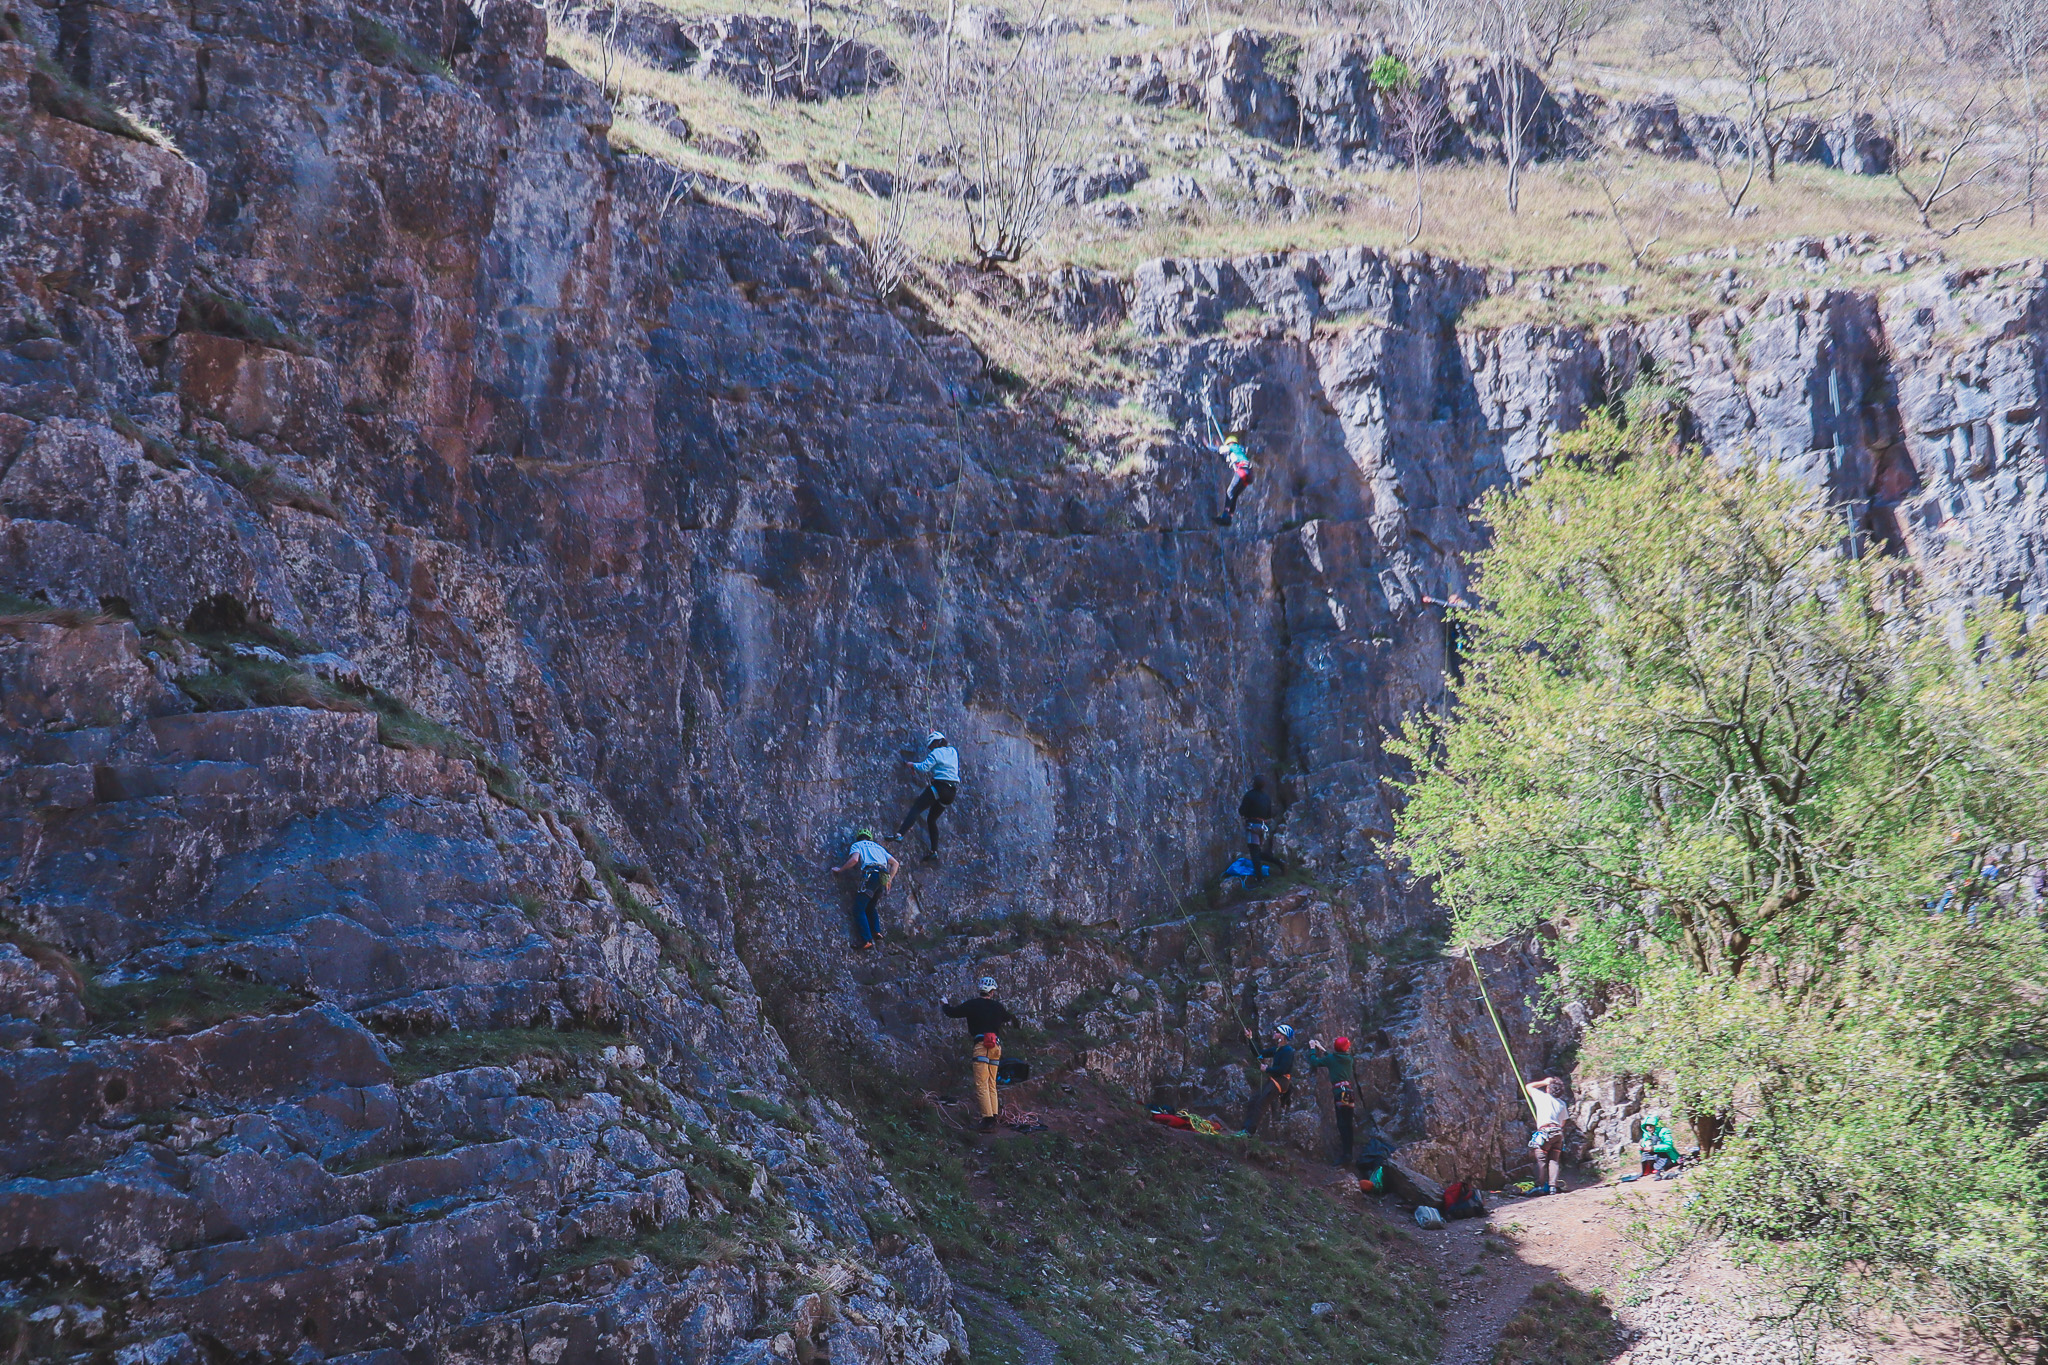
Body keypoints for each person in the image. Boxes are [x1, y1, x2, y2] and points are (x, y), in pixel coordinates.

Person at [942, 976, 1016, 1131]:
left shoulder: (973, 1005)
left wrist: (944, 1003)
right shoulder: (998, 1007)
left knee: (981, 1083)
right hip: (996, 1046)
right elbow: (1009, 1018)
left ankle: (987, 1120)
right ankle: (993, 1116)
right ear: (992, 992)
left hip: (981, 1045)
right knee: (991, 1083)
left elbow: (952, 1013)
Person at [890, 731, 960, 862]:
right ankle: (934, 851)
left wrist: (912, 765)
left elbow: (924, 767)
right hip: (951, 793)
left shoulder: (935, 753)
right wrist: (935, 735)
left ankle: (900, 834)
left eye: (932, 745)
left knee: (917, 808)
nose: (931, 749)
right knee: (931, 819)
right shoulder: (953, 751)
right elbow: (942, 748)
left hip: (940, 787)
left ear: (936, 743)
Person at [830, 830, 899, 950]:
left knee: (858, 908)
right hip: (883, 876)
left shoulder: (858, 845)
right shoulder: (879, 847)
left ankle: (866, 939)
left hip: (871, 875)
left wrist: (840, 869)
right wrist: (889, 880)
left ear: (859, 838)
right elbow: (895, 863)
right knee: (871, 906)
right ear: (870, 838)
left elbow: (855, 860)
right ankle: (876, 931)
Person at [1236, 1023, 1295, 1137]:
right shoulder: (1278, 1049)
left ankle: (1248, 1133)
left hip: (1280, 1082)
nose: (1274, 1033)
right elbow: (1260, 1054)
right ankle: (1245, 1130)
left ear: (1282, 1037)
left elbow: (1283, 1069)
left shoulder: (1288, 1051)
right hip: (1276, 1080)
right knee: (1254, 1101)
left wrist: (1267, 1069)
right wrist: (1250, 1039)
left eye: (1277, 1032)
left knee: (1260, 1104)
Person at [1305, 1035, 1357, 1166]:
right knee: (1348, 1123)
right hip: (1348, 1092)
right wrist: (1322, 1048)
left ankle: (1346, 1155)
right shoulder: (1349, 1059)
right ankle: (1349, 1153)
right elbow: (1333, 1059)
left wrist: (1312, 1049)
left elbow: (1315, 1062)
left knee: (1342, 1123)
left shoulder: (1331, 1059)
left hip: (1340, 1093)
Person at [1525, 1075, 1567, 1195]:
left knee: (1541, 1157)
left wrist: (1544, 1082)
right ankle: (1553, 1186)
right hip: (1558, 1132)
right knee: (1554, 1160)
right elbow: (1563, 1122)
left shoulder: (1542, 1097)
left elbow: (1529, 1086)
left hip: (1545, 1131)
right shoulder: (1562, 1104)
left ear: (1548, 1089)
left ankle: (1540, 1186)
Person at [1238, 777, 1280, 879]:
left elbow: (1242, 811)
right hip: (1263, 826)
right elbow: (1269, 814)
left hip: (1253, 825)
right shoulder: (1266, 797)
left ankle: (1260, 879)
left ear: (1253, 784)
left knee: (1254, 852)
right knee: (1258, 851)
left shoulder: (1249, 795)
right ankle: (1278, 863)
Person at [1215, 430, 1253, 526]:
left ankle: (1225, 515)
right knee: (1234, 494)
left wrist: (1210, 446)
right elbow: (1227, 458)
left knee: (1229, 492)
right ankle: (1230, 517)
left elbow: (1220, 450)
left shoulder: (1231, 447)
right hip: (1249, 474)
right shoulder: (1240, 449)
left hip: (1242, 471)